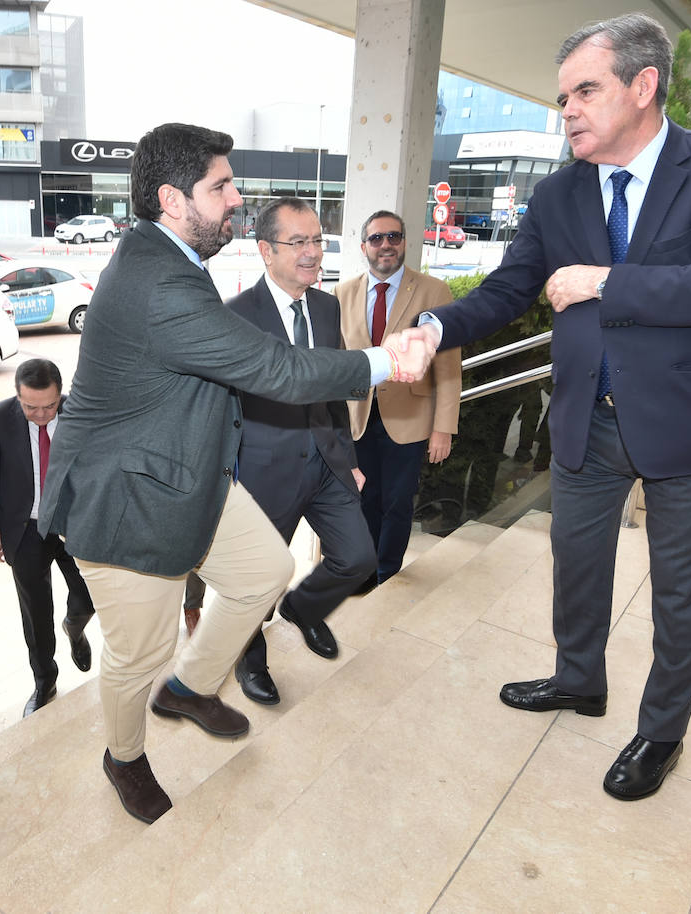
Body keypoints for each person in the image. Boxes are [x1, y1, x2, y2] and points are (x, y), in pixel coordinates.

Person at [396, 13, 691, 801]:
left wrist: (604, 281)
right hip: (585, 420)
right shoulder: (561, 191)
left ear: (644, 86)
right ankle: (579, 679)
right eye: (562, 94)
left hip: (689, 428)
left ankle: (661, 732)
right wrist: (432, 326)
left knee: (682, 594)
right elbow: (507, 288)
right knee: (575, 568)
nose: (566, 109)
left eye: (585, 91)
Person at [37, 122, 433, 824]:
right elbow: (275, 368)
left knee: (262, 572)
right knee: (140, 652)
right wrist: (385, 358)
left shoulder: (171, 258)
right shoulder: (156, 279)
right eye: (220, 186)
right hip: (124, 497)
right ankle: (123, 756)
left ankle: (189, 689)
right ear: (170, 198)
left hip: (186, 473)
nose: (236, 198)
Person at [228, 196, 377, 705]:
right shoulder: (235, 316)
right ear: (266, 250)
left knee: (358, 558)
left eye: (317, 240)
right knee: (256, 582)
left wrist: (350, 461)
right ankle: (250, 659)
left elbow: (332, 387)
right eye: (299, 243)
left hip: (328, 459)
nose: (313, 252)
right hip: (263, 472)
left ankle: (305, 609)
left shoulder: (326, 305)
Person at [338, 210, 461, 584]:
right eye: (377, 239)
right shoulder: (342, 293)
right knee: (363, 499)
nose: (386, 245)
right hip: (358, 417)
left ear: (405, 242)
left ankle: (386, 572)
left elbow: (449, 367)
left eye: (393, 237)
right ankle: (363, 570)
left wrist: (443, 429)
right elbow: (338, 363)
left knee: (396, 502)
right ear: (364, 247)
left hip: (409, 418)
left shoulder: (433, 291)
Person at [0, 358, 96, 717]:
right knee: (35, 611)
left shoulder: (81, 409)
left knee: (89, 594)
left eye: (50, 406)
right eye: (31, 407)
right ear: (17, 396)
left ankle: (75, 628)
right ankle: (45, 680)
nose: (42, 415)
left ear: (61, 394)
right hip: (25, 527)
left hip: (76, 521)